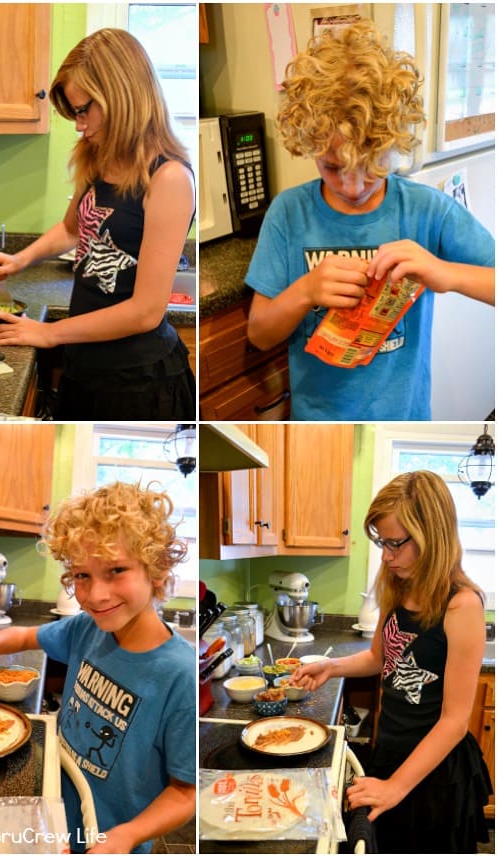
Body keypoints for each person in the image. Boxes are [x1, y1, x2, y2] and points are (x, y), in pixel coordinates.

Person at [245, 20, 494, 421]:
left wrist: (446, 273)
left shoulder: (427, 211)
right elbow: (259, 333)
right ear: (308, 145)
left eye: (373, 164)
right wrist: (306, 291)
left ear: (395, 142)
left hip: (404, 415)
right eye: (331, 167)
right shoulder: (289, 214)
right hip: (317, 421)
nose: (353, 184)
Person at [0, 482, 196, 855]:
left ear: (157, 569)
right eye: (82, 575)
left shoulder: (179, 675)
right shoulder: (87, 629)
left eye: (116, 570)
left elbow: (186, 792)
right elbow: (26, 636)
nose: (95, 595)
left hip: (108, 838)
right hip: (53, 813)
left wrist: (129, 835)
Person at [0, 28, 196, 420]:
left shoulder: (169, 179)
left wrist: (48, 333)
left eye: (84, 110)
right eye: (74, 113)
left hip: (138, 380)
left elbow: (146, 311)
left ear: (122, 96)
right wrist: (19, 259)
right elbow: (73, 229)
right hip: (85, 362)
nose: (79, 125)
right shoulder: (98, 157)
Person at [289, 471, 491, 853]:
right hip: (392, 753)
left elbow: (454, 721)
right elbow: (381, 658)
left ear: (433, 536)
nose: (386, 555)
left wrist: (396, 787)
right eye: (382, 542)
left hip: (433, 773)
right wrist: (332, 667)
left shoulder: (461, 605)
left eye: (395, 543)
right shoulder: (400, 587)